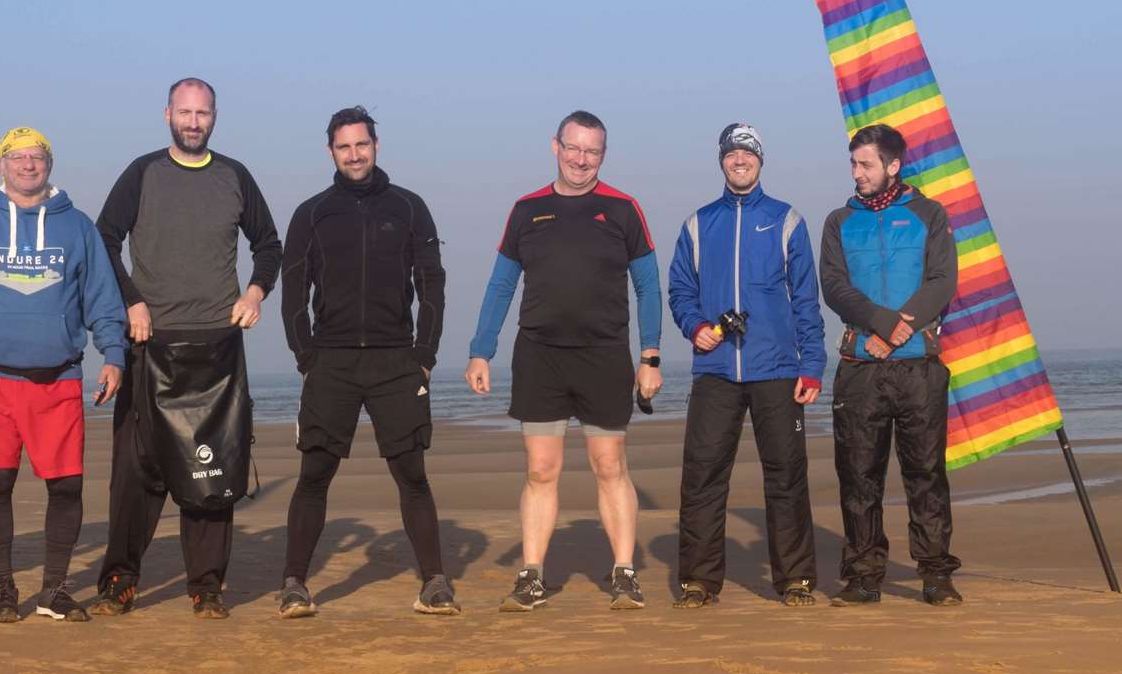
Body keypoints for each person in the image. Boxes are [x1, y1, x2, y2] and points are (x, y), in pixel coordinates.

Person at [90, 78, 282, 619]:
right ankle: (120, 583)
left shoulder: (235, 176)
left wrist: (255, 290)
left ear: (215, 117)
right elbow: (104, 237)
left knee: (211, 472)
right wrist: (131, 302)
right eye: (184, 112)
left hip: (216, 347)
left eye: (202, 113)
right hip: (149, 342)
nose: (193, 122)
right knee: (135, 473)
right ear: (167, 114)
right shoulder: (143, 172)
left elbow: (268, 244)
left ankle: (207, 588)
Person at [464, 110, 662, 612]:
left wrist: (650, 355)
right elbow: (501, 284)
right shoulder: (527, 210)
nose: (581, 159)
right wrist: (480, 350)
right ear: (555, 146)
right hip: (540, 356)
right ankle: (531, 577)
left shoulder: (623, 209)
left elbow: (648, 287)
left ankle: (624, 573)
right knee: (541, 470)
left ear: (603, 154)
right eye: (573, 148)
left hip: (603, 354)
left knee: (609, 464)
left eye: (592, 151)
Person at [0, 127, 128, 623]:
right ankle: (1, 588)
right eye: (16, 157)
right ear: (1, 166)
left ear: (49, 164)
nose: (27, 165)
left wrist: (114, 354)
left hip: (58, 379)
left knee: (65, 487)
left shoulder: (78, 226)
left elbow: (102, 298)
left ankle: (54, 590)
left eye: (36, 157)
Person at [276, 106, 457, 617]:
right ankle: (294, 585)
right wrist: (305, 354)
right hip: (329, 362)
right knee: (315, 473)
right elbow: (294, 289)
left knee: (412, 474)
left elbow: (432, 283)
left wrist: (424, 355)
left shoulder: (409, 207)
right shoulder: (312, 213)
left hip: (396, 361)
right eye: (344, 147)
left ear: (376, 145)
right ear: (331, 151)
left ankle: (436, 583)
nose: (354, 155)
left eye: (362, 145)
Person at [667, 122, 826, 608]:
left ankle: (795, 580)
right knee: (703, 474)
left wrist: (813, 365)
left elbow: (806, 300)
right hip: (715, 371)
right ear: (721, 161)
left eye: (749, 154)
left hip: (777, 369)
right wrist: (696, 327)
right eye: (733, 154)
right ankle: (698, 581)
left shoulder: (787, 220)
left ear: (761, 160)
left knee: (786, 475)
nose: (741, 161)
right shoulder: (698, 223)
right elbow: (680, 291)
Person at [820, 122, 963, 606]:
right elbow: (834, 287)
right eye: (854, 164)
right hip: (860, 367)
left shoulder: (929, 214)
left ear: (892, 166)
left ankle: (936, 574)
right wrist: (882, 323)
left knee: (925, 471)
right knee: (859, 475)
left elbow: (943, 281)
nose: (857, 173)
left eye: (866, 164)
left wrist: (901, 329)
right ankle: (863, 575)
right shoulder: (839, 221)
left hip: (918, 367)